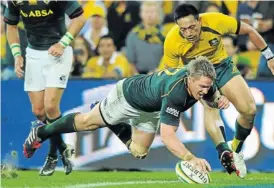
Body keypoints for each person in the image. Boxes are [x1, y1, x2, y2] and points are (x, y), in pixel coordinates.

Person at [23, 56, 244, 174]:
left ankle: (114, 123)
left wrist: (218, 99)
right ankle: (42, 131)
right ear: (190, 78)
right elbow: (167, 137)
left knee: (139, 152)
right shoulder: (175, 92)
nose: (205, 90)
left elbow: (211, 100)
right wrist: (191, 158)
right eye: (202, 87)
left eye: (209, 86)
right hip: (127, 97)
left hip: (150, 107)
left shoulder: (203, 81)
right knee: (87, 123)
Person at [163, 4, 274, 178]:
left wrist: (269, 56)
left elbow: (249, 30)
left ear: (200, 20)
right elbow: (175, 74)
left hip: (221, 66)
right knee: (210, 106)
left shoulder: (216, 21)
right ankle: (224, 151)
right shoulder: (171, 41)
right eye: (183, 29)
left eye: (192, 27)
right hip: (195, 72)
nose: (189, 33)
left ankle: (235, 148)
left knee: (249, 110)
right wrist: (210, 92)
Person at [4, 0, 86, 176]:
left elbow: (79, 17)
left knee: (50, 106)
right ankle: (63, 148)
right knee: (39, 111)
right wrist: (17, 54)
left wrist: (63, 43)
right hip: (33, 54)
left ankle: (51, 155)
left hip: (58, 53)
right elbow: (10, 26)